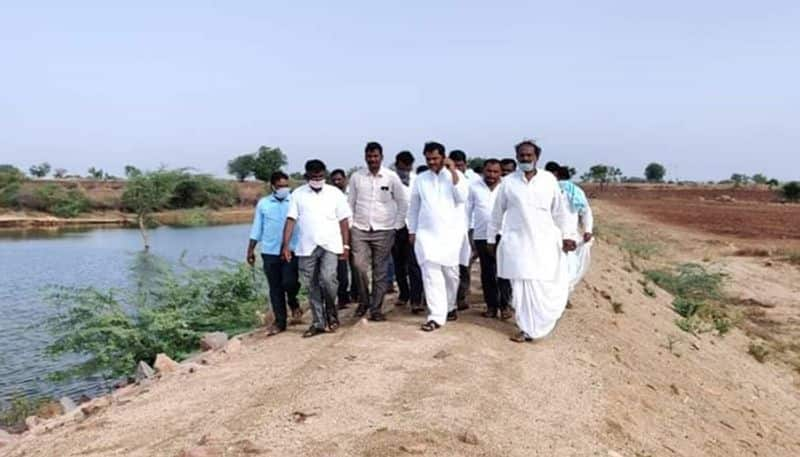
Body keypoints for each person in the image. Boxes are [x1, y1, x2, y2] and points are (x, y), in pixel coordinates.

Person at [487, 140, 576, 342]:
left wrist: (568, 235)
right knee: (520, 286)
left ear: (537, 157)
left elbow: (560, 213)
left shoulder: (548, 181)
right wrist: (491, 239)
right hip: (517, 242)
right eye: (522, 156)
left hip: (544, 242)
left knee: (541, 284)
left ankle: (540, 321)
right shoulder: (508, 182)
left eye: (529, 155)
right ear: (517, 157)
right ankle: (527, 328)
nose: (525, 159)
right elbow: (496, 214)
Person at [282, 160, 352, 338]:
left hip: (330, 244)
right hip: (306, 247)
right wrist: (286, 246)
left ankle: (332, 314)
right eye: (314, 177)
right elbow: (291, 220)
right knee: (311, 285)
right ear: (307, 177)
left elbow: (344, 221)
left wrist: (346, 245)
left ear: (325, 175)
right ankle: (318, 322)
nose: (317, 180)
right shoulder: (297, 195)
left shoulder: (335, 193)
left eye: (320, 176)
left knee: (328, 280)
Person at [408, 142, 469, 331]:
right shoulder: (421, 179)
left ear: (444, 157)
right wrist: (412, 230)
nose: (432, 162)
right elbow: (415, 206)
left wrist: (452, 173)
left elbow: (462, 198)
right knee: (430, 272)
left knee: (451, 274)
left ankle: (450, 306)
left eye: (435, 158)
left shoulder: (457, 176)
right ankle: (435, 316)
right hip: (427, 233)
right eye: (428, 159)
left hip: (451, 234)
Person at [348, 142, 409, 321]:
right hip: (360, 228)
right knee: (359, 267)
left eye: (375, 156)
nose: (372, 160)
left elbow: (402, 202)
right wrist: (351, 225)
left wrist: (397, 225)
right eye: (369, 156)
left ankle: (376, 308)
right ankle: (364, 301)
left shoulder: (391, 177)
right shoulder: (356, 177)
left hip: (384, 229)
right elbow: (350, 203)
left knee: (380, 271)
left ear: (381, 157)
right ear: (365, 157)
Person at [246, 171, 303, 336]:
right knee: (275, 288)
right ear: (272, 186)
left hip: (291, 249)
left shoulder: (294, 201)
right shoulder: (264, 204)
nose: (283, 189)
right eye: (280, 186)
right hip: (269, 251)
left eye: (286, 186)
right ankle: (280, 322)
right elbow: (257, 228)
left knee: (290, 282)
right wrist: (250, 249)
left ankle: (293, 300)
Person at [467, 159, 512, 320]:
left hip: (503, 234)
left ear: (501, 173)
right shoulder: (474, 187)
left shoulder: (507, 187)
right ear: (483, 171)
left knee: (504, 272)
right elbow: (467, 210)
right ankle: (491, 306)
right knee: (487, 272)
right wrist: (467, 232)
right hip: (481, 235)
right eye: (489, 171)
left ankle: (505, 305)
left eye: (495, 172)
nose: (491, 175)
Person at [546, 163, 594, 294]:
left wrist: (588, 230)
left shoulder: (572, 192)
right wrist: (587, 230)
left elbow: (585, 212)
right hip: (550, 236)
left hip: (568, 236)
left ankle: (562, 295)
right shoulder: (547, 190)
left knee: (566, 267)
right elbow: (586, 212)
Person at [391, 150, 425, 313]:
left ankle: (416, 298)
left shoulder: (417, 180)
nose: (406, 169)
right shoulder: (389, 178)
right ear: (397, 164)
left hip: (413, 227)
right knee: (398, 263)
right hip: (394, 226)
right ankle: (404, 293)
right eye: (403, 166)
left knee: (414, 263)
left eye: (409, 166)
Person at [448, 149, 475, 311]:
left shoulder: (475, 180)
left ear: (466, 164)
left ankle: (461, 297)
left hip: (470, 227)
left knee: (465, 264)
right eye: (454, 165)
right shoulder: (446, 179)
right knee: (449, 264)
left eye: (460, 165)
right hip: (450, 229)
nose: (457, 168)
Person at [330, 168, 357, 309]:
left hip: (354, 231)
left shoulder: (352, 193)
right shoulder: (329, 195)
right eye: (334, 180)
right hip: (336, 234)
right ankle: (343, 296)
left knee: (357, 265)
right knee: (340, 267)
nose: (336, 182)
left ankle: (356, 293)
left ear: (345, 179)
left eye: (339, 179)